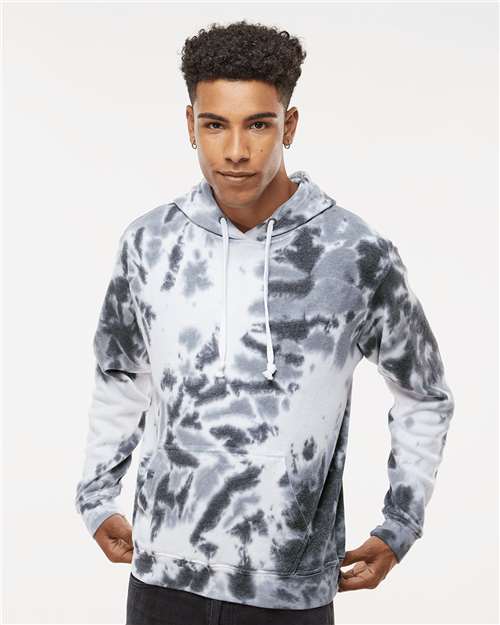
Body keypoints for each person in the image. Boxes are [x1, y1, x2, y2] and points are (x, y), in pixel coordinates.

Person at [75, 19, 455, 625]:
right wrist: (97, 497)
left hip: (288, 590)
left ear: (290, 125)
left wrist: (401, 521)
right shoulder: (150, 243)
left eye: (258, 124)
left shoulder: (354, 253)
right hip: (162, 578)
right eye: (214, 125)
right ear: (190, 125)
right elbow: (120, 374)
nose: (235, 150)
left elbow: (424, 394)